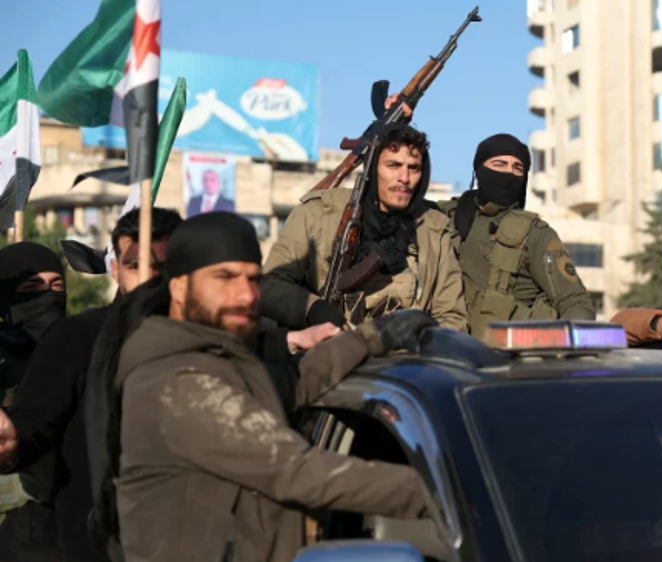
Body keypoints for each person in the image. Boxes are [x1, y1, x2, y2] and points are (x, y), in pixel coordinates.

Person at [85, 212, 432, 562]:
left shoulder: (218, 358)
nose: (246, 294)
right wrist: (442, 490)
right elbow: (297, 472)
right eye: (225, 278)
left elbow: (296, 381)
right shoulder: (179, 382)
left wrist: (374, 336)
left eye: (252, 279)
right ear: (179, 287)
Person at [0, 208, 181, 562]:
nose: (150, 278)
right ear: (115, 269)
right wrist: (14, 441)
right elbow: (37, 419)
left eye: (57, 287)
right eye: (135, 265)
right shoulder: (77, 338)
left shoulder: (213, 342)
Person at [261, 123, 466, 331]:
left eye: (413, 168)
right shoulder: (318, 213)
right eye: (393, 165)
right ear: (372, 168)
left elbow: (451, 315)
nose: (404, 178)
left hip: (403, 356)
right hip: (324, 349)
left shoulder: (432, 228)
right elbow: (269, 285)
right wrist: (313, 309)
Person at [437, 133, 595, 339]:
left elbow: (576, 303)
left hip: (509, 361)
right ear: (479, 169)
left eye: (517, 168)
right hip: (446, 355)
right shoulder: (443, 216)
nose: (509, 173)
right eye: (499, 164)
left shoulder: (536, 234)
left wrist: (563, 355)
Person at [0, 241, 67, 561]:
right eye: (32, 287)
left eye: (57, 286)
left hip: (65, 519)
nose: (48, 296)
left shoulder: (77, 348)